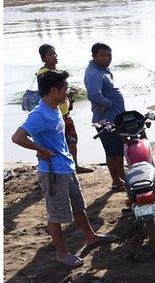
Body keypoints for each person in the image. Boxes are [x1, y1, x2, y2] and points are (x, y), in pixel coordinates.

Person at [12, 70, 115, 266]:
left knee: (78, 206)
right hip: (52, 172)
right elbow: (17, 137)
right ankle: (61, 253)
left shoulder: (55, 108)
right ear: (53, 90)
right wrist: (40, 149)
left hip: (66, 167)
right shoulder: (39, 114)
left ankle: (90, 237)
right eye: (65, 89)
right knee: (56, 214)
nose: (67, 92)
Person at [37, 44, 92, 173]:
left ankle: (75, 166)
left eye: (55, 53)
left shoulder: (58, 71)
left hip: (65, 112)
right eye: (50, 54)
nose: (54, 56)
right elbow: (45, 93)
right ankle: (51, 169)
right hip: (52, 113)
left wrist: (69, 95)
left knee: (72, 140)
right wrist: (66, 94)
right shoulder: (43, 74)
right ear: (43, 58)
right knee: (54, 143)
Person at [84, 42, 127, 190]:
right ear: (94, 56)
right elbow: (93, 95)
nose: (107, 58)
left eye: (109, 55)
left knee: (119, 149)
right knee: (111, 150)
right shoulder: (94, 73)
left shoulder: (102, 69)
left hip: (115, 117)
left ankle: (122, 175)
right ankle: (116, 181)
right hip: (105, 120)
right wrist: (108, 103)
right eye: (103, 55)